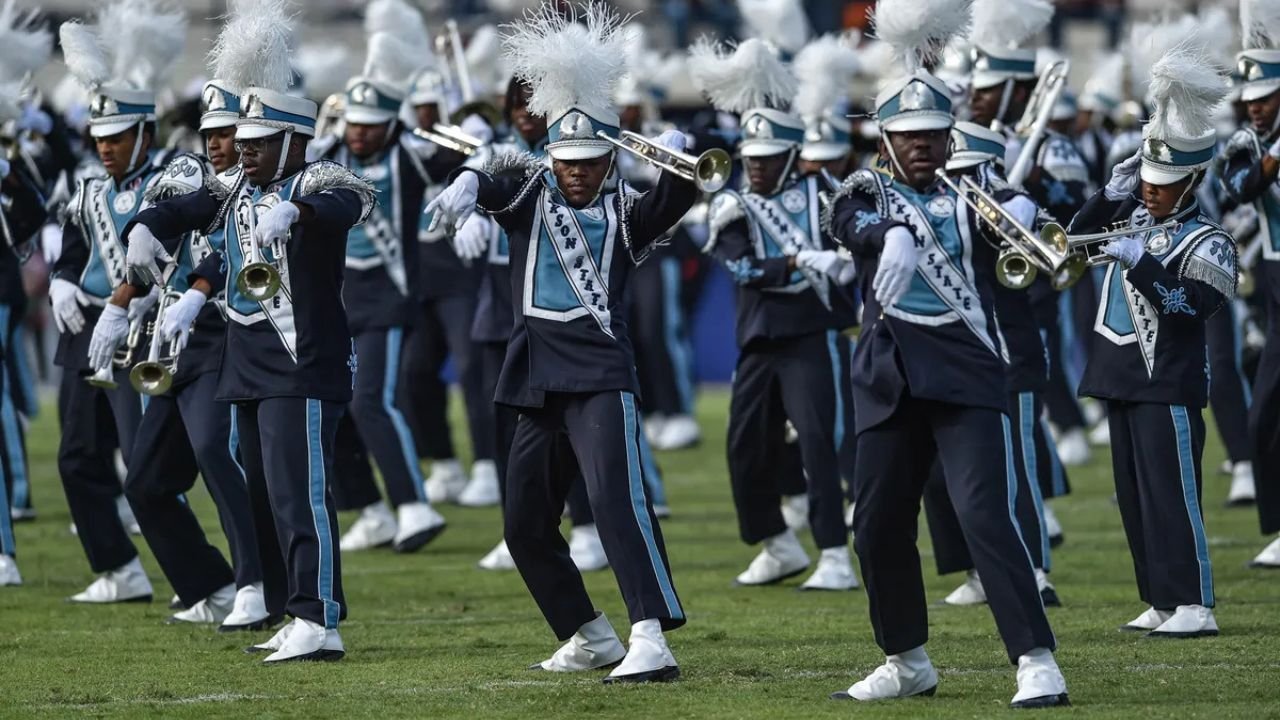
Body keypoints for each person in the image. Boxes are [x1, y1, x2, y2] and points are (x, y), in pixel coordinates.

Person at [427, 3, 687, 682]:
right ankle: (588, 632)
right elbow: (495, 177)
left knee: (616, 505)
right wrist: (466, 183)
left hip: (600, 375)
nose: (577, 172)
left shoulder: (629, 213)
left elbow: (684, 191)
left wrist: (679, 156)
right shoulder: (529, 196)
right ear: (552, 154)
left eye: (591, 161)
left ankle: (650, 634)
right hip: (536, 378)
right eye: (567, 160)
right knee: (524, 527)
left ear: (610, 156)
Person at [825, 0, 1066, 706]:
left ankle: (1035, 658)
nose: (923, 144)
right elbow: (846, 215)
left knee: (986, 515)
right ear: (886, 139)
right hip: (890, 381)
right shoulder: (866, 185)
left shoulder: (978, 186)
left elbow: (1038, 232)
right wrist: (884, 235)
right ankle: (906, 659)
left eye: (934, 132)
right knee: (876, 525)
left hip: (966, 376)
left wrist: (1031, 213)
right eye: (909, 134)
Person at [124, 0, 375, 662]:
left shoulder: (319, 175)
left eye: (261, 145)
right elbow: (187, 209)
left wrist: (296, 209)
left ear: (292, 141)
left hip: (304, 361)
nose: (246, 154)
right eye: (244, 144)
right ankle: (292, 607)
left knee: (300, 498)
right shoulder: (234, 188)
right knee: (265, 497)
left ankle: (319, 617)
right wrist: (146, 223)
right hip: (248, 362)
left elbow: (349, 200)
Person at [94, 71, 271, 631]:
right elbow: (169, 231)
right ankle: (209, 585)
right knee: (144, 481)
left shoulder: (257, 191)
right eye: (210, 133)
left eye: (229, 132)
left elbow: (230, 256)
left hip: (227, 337)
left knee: (217, 454)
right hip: (177, 346)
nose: (218, 143)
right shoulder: (205, 185)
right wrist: (124, 300)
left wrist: (196, 292)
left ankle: (258, 581)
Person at [1071, 41, 1234, 637]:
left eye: (1163, 183)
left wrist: (1143, 264)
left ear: (1192, 180)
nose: (1151, 190)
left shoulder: (1211, 241)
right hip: (1118, 378)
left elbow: (1190, 308)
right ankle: (1161, 599)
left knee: (1173, 496)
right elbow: (1071, 241)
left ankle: (1195, 602)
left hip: (1167, 384)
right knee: (1135, 499)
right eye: (1147, 179)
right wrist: (1110, 196)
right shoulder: (1130, 216)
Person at [688, 37, 859, 592]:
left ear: (791, 156)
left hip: (814, 337)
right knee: (744, 445)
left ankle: (835, 553)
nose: (755, 170)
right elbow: (740, 269)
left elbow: (861, 243)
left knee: (821, 444)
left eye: (766, 161)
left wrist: (844, 258)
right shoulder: (734, 204)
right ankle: (777, 543)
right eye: (750, 161)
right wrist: (794, 261)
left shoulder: (827, 194)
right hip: (760, 339)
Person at [53, 3, 190, 604]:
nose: (105, 149)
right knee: (76, 456)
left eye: (117, 138)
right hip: (86, 325)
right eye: (99, 138)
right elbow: (72, 243)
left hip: (146, 327)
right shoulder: (86, 187)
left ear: (144, 133)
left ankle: (197, 576)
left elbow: (184, 242)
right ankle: (119, 569)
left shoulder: (173, 178)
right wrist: (61, 278)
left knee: (146, 465)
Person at [320, 14, 448, 554]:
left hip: (389, 297)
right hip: (336, 298)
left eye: (371, 123)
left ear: (391, 123)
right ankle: (369, 508)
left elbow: (457, 158)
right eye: (354, 121)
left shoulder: (409, 156)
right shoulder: (329, 155)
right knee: (330, 406)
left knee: (372, 400)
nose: (359, 131)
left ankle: (414, 504)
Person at [921, 121, 1058, 608]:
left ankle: (1037, 569)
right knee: (944, 472)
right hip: (956, 358)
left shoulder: (1016, 208)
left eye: (967, 173)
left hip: (1012, 357)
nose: (956, 183)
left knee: (1016, 467)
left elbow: (1051, 257)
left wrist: (1020, 217)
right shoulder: (937, 211)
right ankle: (975, 568)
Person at [1222, 3, 1280, 568]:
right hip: (1275, 287)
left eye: (1265, 98)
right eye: (1250, 100)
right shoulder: (1250, 143)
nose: (1255, 109)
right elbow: (1238, 188)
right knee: (1263, 414)